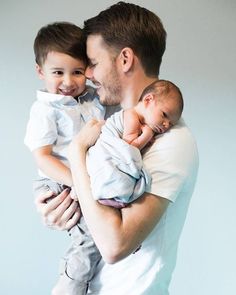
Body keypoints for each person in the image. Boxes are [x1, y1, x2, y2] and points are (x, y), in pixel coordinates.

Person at [35, 2, 199, 295]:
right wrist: (58, 211)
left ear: (125, 59)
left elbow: (114, 245)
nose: (87, 74)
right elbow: (93, 205)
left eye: (94, 63)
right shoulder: (109, 123)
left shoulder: (172, 141)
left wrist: (76, 154)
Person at [24, 21, 119, 295]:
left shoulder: (91, 98)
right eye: (58, 72)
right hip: (61, 182)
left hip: (85, 180)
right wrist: (78, 182)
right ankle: (70, 286)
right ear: (40, 71)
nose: (68, 82)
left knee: (102, 226)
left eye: (77, 72)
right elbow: (42, 157)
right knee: (90, 237)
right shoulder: (45, 109)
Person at [88, 79, 184, 209]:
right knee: (116, 173)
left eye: (171, 123)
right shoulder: (131, 116)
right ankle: (109, 193)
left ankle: (113, 193)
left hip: (116, 152)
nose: (166, 124)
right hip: (105, 152)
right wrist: (147, 135)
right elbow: (129, 147)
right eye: (164, 115)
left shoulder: (142, 122)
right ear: (148, 100)